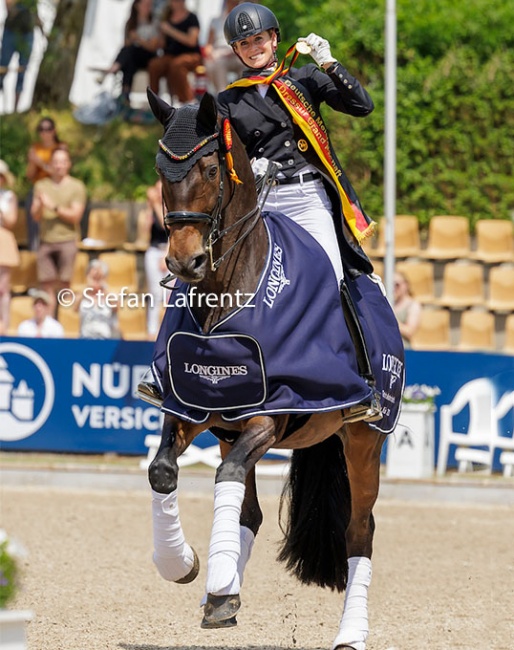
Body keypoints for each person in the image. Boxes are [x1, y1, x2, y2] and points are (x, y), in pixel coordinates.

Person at [218, 3, 381, 418]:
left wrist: (328, 62)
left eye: (258, 39)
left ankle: (364, 382)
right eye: (244, 43)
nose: (253, 47)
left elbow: (362, 105)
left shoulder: (304, 79)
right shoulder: (229, 101)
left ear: (274, 39)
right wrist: (245, 167)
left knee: (334, 277)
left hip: (308, 198)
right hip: (263, 202)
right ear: (236, 51)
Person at [31, 146, 87, 315]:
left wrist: (53, 207)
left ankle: (66, 325)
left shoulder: (77, 186)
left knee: (65, 285)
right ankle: (49, 327)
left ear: (68, 164)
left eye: (62, 162)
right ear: (50, 164)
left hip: (67, 241)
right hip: (45, 241)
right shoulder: (41, 185)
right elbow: (35, 215)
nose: (59, 166)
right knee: (46, 285)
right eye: (55, 162)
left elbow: (76, 216)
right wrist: (41, 206)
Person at [100, 0, 160, 105]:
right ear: (137, 6)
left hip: (149, 56)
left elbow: (153, 47)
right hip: (134, 56)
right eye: (146, 5)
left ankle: (114, 68)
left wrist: (139, 39)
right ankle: (125, 97)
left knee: (130, 52)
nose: (148, 8)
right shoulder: (131, 23)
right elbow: (126, 43)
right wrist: (132, 40)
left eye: (149, 5)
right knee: (129, 61)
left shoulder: (154, 22)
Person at [148, 0, 202, 105]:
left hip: (191, 55)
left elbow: (192, 41)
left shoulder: (192, 18)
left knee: (177, 65)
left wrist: (170, 30)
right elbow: (162, 44)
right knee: (154, 65)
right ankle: (154, 102)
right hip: (170, 55)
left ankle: (187, 101)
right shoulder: (166, 18)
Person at [25, 116, 63, 250]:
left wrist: (39, 162)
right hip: (38, 189)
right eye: (41, 129)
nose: (45, 133)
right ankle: (34, 251)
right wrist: (32, 162)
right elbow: (29, 175)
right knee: (34, 223)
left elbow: (58, 172)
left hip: (55, 189)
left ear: (54, 131)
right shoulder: (36, 148)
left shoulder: (60, 147)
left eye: (48, 129)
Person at [143, 178, 174, 338]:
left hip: (167, 250)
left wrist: (166, 255)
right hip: (153, 250)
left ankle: (168, 328)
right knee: (154, 292)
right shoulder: (152, 208)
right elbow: (143, 231)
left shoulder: (171, 208)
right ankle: (152, 329)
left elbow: (167, 226)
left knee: (168, 294)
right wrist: (150, 207)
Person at [0, 0, 43, 111]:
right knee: (2, 69)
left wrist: (43, 31)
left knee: (22, 72)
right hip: (11, 32)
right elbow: (9, 7)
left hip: (27, 34)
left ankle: (15, 110)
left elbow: (34, 13)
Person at [203, 0, 243, 94]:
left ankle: (242, 93)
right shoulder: (216, 21)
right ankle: (222, 94)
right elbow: (209, 44)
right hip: (219, 54)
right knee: (216, 63)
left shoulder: (242, 20)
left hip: (237, 53)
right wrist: (210, 52)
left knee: (246, 66)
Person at [75, 259, 120, 339]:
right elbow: (75, 308)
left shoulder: (110, 295)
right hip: (85, 338)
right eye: (93, 277)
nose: (96, 281)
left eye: (98, 278)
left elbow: (116, 307)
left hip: (105, 338)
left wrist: (103, 287)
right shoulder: (83, 295)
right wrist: (88, 288)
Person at [0, 159, 19, 335]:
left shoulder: (9, 196)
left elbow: (11, 221)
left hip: (3, 240)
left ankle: (4, 324)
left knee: (3, 288)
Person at [393, 271, 421, 348]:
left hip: (404, 349)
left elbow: (409, 331)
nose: (394, 288)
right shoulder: (390, 304)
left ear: (405, 285)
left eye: (397, 285)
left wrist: (392, 321)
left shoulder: (412, 305)